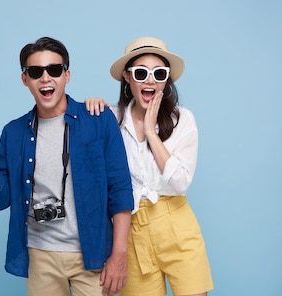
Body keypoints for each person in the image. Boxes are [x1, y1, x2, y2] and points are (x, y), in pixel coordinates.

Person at [0, 37, 134, 296]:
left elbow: (121, 190)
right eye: (35, 72)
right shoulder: (14, 132)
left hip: (92, 253)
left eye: (54, 70)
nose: (45, 78)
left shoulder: (99, 120)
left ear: (67, 75)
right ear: (25, 79)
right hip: (39, 255)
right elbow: (1, 196)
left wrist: (119, 254)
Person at [85, 36, 214, 296]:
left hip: (176, 224)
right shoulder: (111, 120)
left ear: (167, 80)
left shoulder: (182, 119)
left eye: (159, 73)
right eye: (141, 72)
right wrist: (92, 104)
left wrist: (151, 133)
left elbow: (180, 183)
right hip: (131, 232)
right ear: (127, 77)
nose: (150, 80)